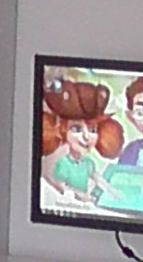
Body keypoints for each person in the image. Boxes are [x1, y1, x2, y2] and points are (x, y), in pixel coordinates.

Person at [38, 77, 122, 207]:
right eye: (76, 129)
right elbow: (60, 187)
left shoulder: (88, 163)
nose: (86, 136)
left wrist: (112, 191)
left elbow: (98, 179)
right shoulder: (63, 164)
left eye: (92, 129)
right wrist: (80, 196)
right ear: (63, 131)